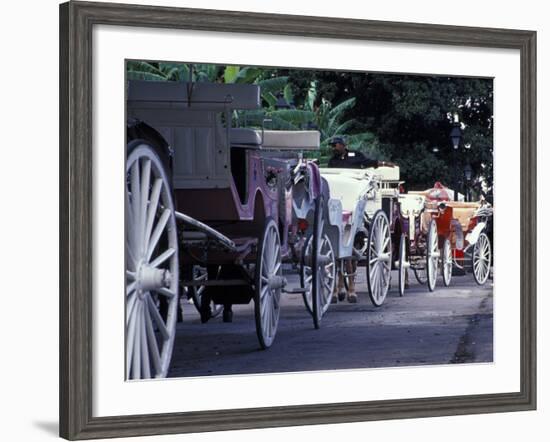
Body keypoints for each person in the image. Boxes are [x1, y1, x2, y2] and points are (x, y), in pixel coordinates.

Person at [327, 136, 396, 303]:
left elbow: (369, 162)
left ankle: (348, 286)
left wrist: (384, 164)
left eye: (335, 145)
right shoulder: (332, 162)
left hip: (354, 198)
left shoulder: (355, 156)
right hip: (337, 201)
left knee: (353, 248)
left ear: (343, 145)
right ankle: (339, 287)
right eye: (332, 145)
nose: (333, 148)